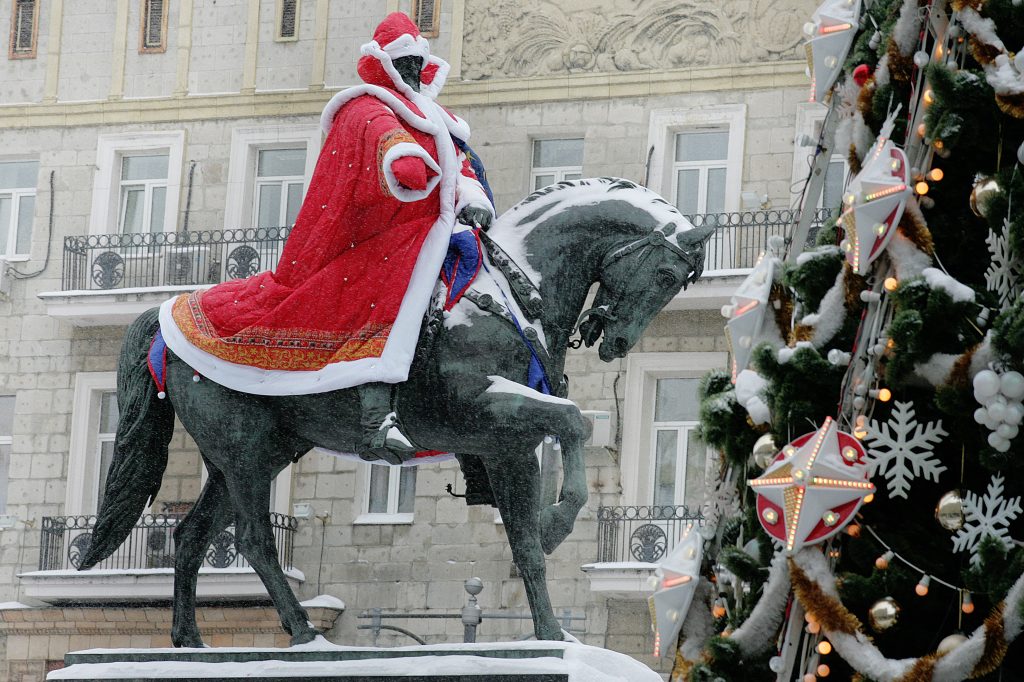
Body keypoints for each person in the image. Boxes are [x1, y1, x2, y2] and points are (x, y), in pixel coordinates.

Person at [159, 12, 495, 463]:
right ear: (387, 64)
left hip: (439, 231)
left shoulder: (436, 116)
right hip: (382, 238)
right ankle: (376, 416)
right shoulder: (366, 106)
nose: (413, 71)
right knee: (392, 294)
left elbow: (461, 164)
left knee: (483, 293)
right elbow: (386, 142)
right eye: (405, 63)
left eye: (418, 62)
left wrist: (472, 195)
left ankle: (471, 421)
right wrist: (402, 162)